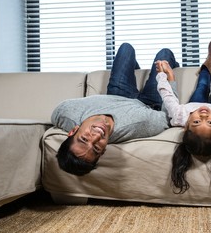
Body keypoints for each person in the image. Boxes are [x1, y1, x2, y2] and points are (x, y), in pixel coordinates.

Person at [52, 43, 180, 176]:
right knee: (163, 54)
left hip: (117, 95)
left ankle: (136, 71)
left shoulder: (66, 115)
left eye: (84, 139)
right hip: (148, 104)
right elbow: (168, 116)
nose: (96, 136)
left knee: (126, 49)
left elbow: (56, 113)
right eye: (96, 148)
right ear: (103, 151)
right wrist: (171, 79)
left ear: (73, 130)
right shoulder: (141, 124)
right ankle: (174, 65)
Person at [155, 40, 211, 198]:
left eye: (197, 122)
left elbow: (167, 95)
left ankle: (209, 61)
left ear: (185, 126)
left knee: (203, 84)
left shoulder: (180, 116)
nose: (204, 115)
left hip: (194, 104)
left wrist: (162, 75)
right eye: (210, 123)